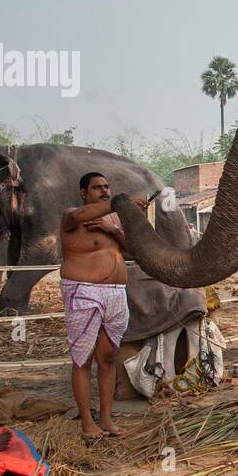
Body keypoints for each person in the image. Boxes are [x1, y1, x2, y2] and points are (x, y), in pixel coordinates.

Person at [60, 172, 147, 440]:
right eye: (97, 188)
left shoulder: (112, 219)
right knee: (82, 359)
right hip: (83, 290)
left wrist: (115, 228)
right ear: (84, 193)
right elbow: (79, 216)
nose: (104, 191)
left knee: (108, 357)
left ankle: (107, 418)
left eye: (107, 187)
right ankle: (88, 422)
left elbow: (131, 249)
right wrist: (124, 203)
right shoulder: (72, 217)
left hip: (116, 292)